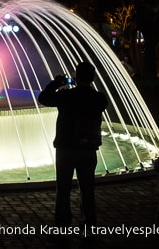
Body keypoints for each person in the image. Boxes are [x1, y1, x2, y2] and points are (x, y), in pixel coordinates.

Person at [38, 61, 108, 231]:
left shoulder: (66, 96)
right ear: (93, 78)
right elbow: (102, 106)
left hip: (66, 148)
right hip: (88, 148)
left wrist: (56, 83)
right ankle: (89, 224)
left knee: (63, 188)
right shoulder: (99, 98)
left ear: (76, 76)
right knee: (87, 188)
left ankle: (62, 224)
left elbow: (43, 98)